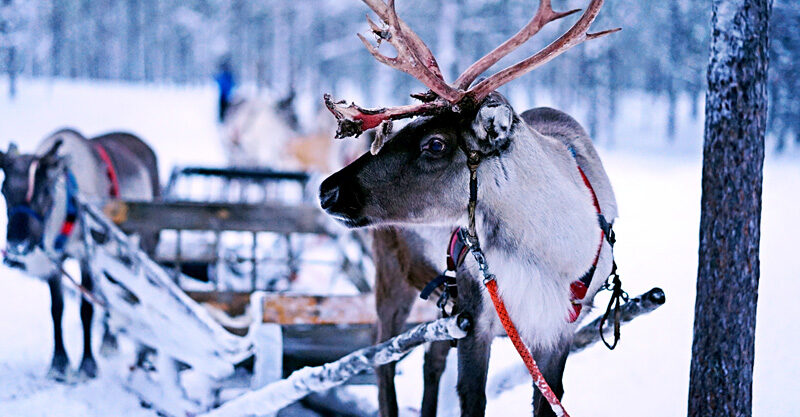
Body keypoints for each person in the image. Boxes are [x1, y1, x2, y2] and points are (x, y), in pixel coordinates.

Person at [214, 58, 236, 122]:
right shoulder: (227, 75)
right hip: (226, 95)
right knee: (225, 109)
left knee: (225, 109)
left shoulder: (226, 75)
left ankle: (223, 120)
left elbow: (221, 83)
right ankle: (223, 120)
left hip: (225, 95)